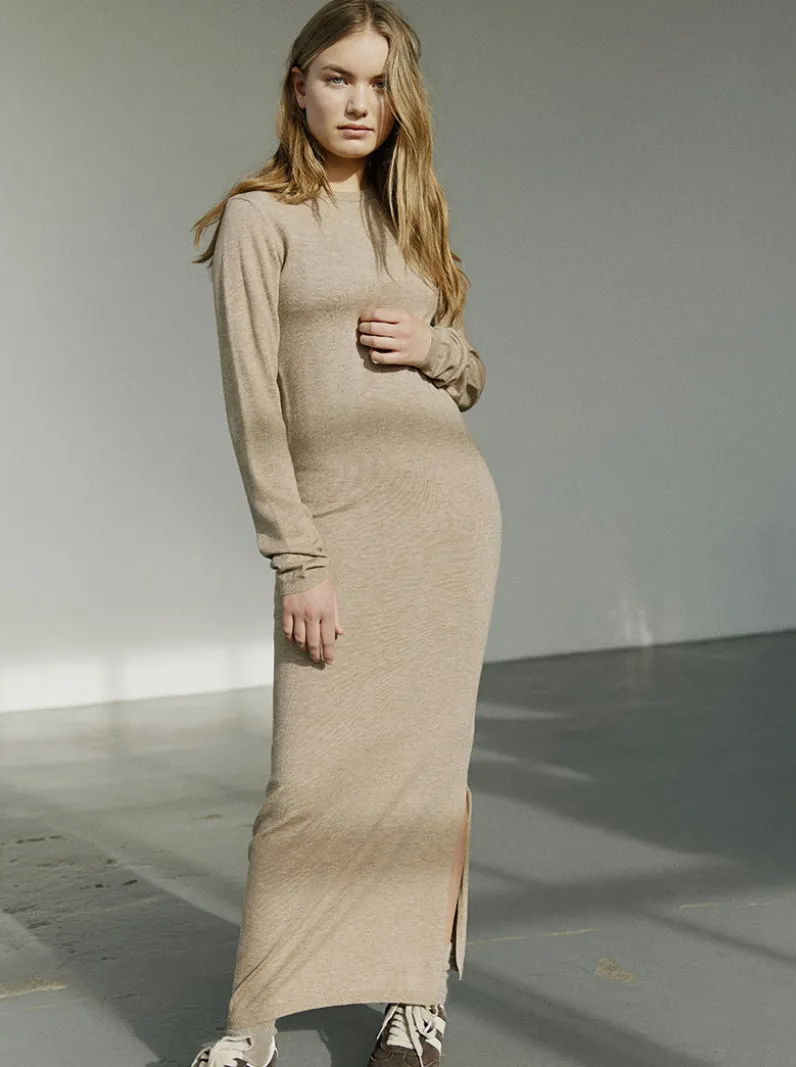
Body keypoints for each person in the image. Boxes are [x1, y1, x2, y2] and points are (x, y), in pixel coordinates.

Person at [189, 1, 502, 1065]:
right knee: (309, 780)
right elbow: (254, 406)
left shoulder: (409, 215)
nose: (359, 102)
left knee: (429, 768)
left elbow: (469, 375)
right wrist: (298, 558)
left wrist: (431, 346)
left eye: (378, 83)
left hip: (448, 523)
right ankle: (253, 1018)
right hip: (338, 529)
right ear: (298, 86)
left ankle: (414, 996)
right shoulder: (258, 219)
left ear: (399, 98)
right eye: (337, 78)